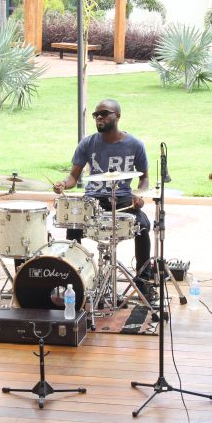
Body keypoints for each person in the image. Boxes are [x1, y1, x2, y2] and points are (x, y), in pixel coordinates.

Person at [53, 99, 153, 296]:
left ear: (118, 116)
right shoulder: (87, 143)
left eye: (105, 113)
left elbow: (145, 178)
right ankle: (78, 278)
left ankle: (143, 279)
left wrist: (139, 195)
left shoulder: (135, 145)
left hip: (123, 199)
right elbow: (73, 176)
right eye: (96, 114)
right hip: (93, 199)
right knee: (73, 227)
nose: (99, 117)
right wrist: (63, 184)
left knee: (142, 226)